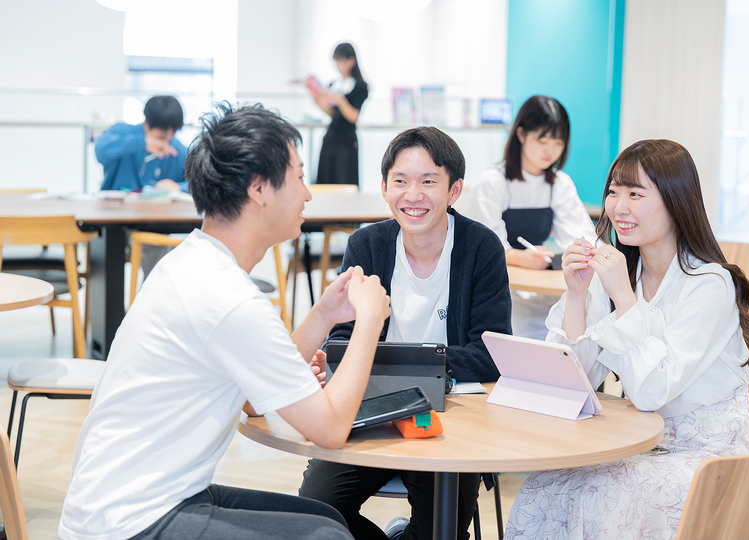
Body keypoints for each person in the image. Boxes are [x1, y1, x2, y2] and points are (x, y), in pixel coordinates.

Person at [58, 103, 392, 540]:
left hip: (139, 499)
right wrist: (369, 320)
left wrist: (324, 315)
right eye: (298, 176)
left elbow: (254, 400)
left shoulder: (195, 264)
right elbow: (330, 430)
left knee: (329, 520)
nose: (307, 194)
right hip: (130, 522)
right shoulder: (227, 298)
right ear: (259, 188)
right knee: (327, 537)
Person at [505, 139, 749, 540]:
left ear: (676, 202)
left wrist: (624, 298)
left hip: (711, 453)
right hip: (639, 443)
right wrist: (576, 296)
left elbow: (652, 390)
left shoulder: (710, 283)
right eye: (613, 192)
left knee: (605, 492)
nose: (618, 207)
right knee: (544, 485)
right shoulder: (618, 267)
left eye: (635, 194)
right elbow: (579, 381)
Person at [299, 127, 512, 540]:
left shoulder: (481, 247)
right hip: (369, 410)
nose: (412, 195)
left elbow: (490, 354)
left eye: (428, 181)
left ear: (454, 191)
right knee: (317, 512)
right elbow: (341, 340)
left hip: (447, 418)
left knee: (442, 530)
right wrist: (333, 360)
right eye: (400, 181)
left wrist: (401, 364)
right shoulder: (368, 245)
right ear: (384, 188)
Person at [467, 95, 595, 340]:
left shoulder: (559, 183)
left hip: (540, 288)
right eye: (542, 140)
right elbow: (481, 250)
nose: (550, 151)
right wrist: (518, 257)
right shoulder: (493, 182)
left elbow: (581, 238)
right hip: (500, 289)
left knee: (571, 335)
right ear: (522, 135)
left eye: (558, 142)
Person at [95, 95, 189, 192]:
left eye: (173, 134)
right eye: (161, 136)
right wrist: (142, 142)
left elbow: (199, 184)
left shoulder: (177, 150)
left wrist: (178, 187)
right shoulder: (121, 132)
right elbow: (100, 150)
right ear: (146, 123)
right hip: (116, 204)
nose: (167, 140)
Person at [310, 42, 368, 186]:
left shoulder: (360, 86)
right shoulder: (333, 84)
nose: (338, 65)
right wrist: (317, 99)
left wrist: (340, 100)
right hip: (331, 138)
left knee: (344, 179)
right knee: (326, 178)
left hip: (346, 141)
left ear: (351, 60)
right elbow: (332, 114)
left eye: (341, 60)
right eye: (336, 61)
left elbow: (353, 116)